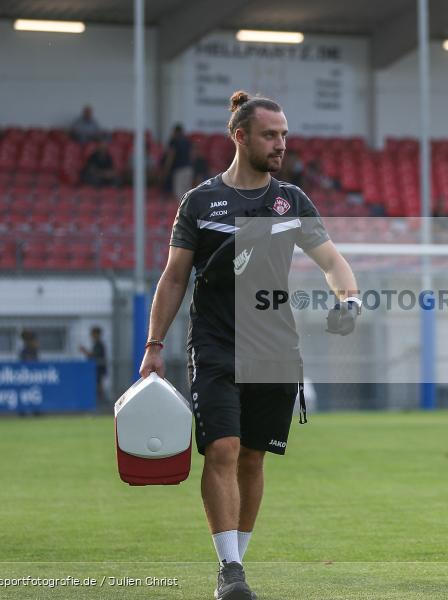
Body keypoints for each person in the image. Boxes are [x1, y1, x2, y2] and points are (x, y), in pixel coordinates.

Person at [138, 91, 360, 600]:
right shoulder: (199, 202)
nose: (281, 143)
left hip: (276, 347)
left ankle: (238, 560)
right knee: (223, 448)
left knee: (253, 459)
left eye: (284, 134)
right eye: (270, 134)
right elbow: (174, 279)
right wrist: (154, 344)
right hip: (215, 343)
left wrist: (349, 301)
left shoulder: (292, 201)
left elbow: (331, 261)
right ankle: (230, 571)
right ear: (240, 136)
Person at [162, 124, 194, 200]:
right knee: (187, 194)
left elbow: (171, 156)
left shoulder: (174, 141)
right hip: (188, 169)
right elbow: (192, 155)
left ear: (175, 132)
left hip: (179, 170)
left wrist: (166, 169)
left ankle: (182, 212)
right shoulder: (187, 141)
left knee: (179, 194)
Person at [80, 326, 108, 406]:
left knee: (99, 386)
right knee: (98, 386)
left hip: (99, 369)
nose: (91, 336)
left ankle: (102, 403)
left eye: (93, 334)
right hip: (96, 370)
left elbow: (94, 356)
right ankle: (100, 402)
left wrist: (85, 351)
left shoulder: (99, 344)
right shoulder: (97, 344)